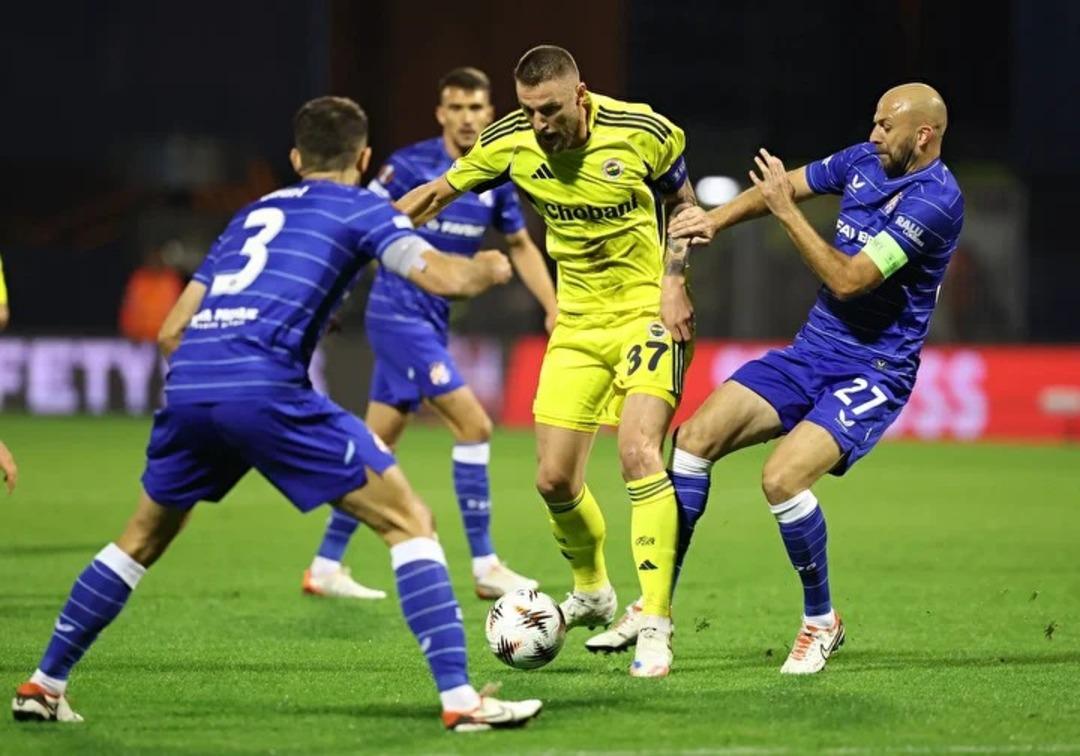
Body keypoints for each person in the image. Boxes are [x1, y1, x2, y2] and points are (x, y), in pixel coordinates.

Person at [11, 96, 542, 731]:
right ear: (365, 157)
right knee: (411, 522)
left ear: (296, 158)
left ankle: (43, 684)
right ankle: (463, 702)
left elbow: (171, 330)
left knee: (141, 538)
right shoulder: (363, 207)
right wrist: (484, 269)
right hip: (264, 388)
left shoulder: (250, 213)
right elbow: (441, 278)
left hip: (192, 386)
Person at [635, 83, 962, 675]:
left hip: (874, 368)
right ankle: (655, 610)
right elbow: (783, 188)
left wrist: (787, 213)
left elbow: (850, 280)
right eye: (874, 122)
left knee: (781, 478)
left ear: (923, 136)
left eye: (885, 127)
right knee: (691, 442)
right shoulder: (863, 161)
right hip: (813, 350)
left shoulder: (935, 202)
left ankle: (820, 621)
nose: (872, 135)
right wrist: (715, 219)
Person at [396, 45, 699, 678]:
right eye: (530, 111)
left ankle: (656, 621)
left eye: (552, 110)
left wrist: (675, 281)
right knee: (553, 481)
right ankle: (592, 591)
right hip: (578, 322)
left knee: (639, 453)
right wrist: (354, 231)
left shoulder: (641, 130)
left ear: (581, 96)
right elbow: (436, 195)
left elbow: (684, 203)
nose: (540, 124)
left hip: (646, 310)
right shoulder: (508, 141)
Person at [303, 67, 557, 602]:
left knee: (376, 446)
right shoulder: (408, 167)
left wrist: (552, 306)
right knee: (475, 426)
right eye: (456, 108)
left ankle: (325, 565)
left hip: (432, 322)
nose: (466, 118)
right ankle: (486, 564)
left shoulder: (495, 178)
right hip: (397, 316)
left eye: (475, 108)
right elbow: (360, 225)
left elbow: (521, 246)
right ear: (441, 113)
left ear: (490, 114)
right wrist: (327, 293)